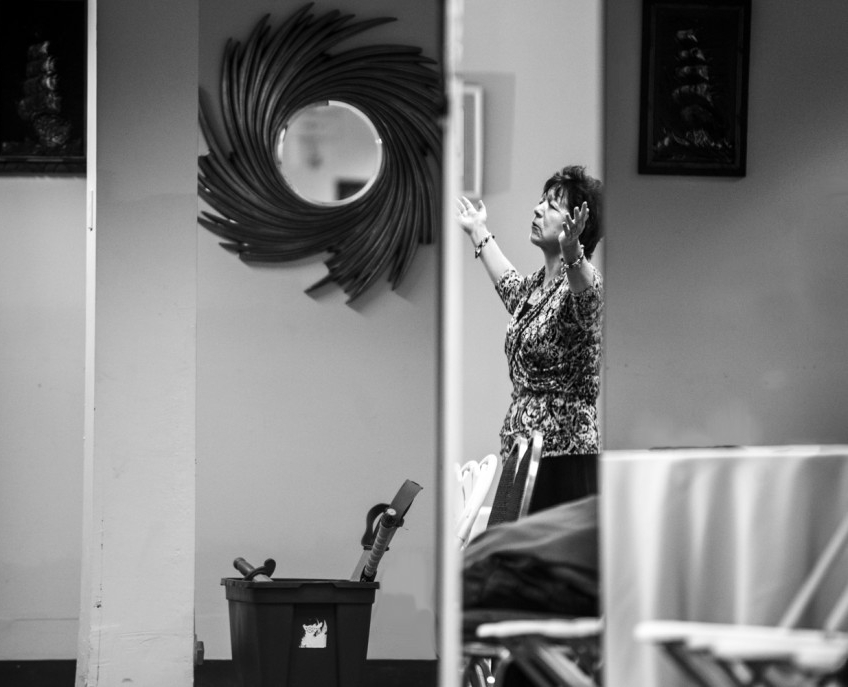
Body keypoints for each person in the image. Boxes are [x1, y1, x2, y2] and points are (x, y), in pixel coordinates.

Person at [457, 165, 604, 507]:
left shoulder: (586, 286)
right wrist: (478, 231)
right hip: (520, 449)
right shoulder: (539, 284)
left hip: (562, 456)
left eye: (552, 206)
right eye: (541, 202)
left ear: (578, 225)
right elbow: (510, 286)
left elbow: (586, 294)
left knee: (544, 557)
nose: (538, 209)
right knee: (511, 553)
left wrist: (572, 251)